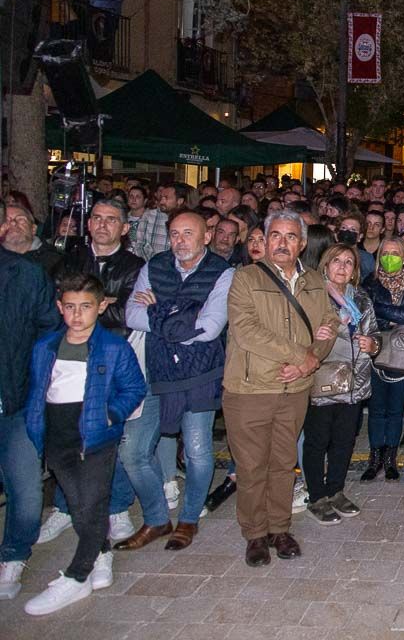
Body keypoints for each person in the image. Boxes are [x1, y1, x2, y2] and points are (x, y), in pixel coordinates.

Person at [22, 274, 145, 615]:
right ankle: (101, 553)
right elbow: (39, 390)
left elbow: (134, 388)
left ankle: (77, 575)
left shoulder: (113, 346)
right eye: (70, 307)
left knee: (92, 501)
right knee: (79, 505)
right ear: (60, 307)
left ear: (101, 307)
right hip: (57, 435)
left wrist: (111, 414)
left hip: (95, 436)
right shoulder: (45, 346)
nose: (77, 315)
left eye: (86, 307)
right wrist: (37, 427)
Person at [222, 210, 339, 567]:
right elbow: (246, 330)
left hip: (296, 388)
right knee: (252, 465)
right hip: (251, 388)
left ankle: (279, 528)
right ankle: (255, 534)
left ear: (302, 244)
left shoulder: (315, 282)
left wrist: (312, 360)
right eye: (276, 236)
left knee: (284, 463)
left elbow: (329, 323)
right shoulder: (245, 279)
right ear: (264, 240)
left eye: (291, 237)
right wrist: (300, 355)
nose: (282, 243)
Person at [122, 209, 232, 551]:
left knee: (198, 452)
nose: (179, 241)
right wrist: (181, 314)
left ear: (206, 237)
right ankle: (156, 519)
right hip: (155, 371)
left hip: (199, 374)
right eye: (174, 234)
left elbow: (209, 328)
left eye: (188, 233)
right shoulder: (154, 266)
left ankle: (188, 517)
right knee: (134, 451)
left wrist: (159, 308)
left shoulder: (223, 273)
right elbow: (132, 315)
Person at [0, 202, 61, 601]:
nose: (10, 225)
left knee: (25, 488)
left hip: (15, 396)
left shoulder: (27, 276)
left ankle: (14, 554)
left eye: (18, 218)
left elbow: (49, 330)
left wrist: (34, 380)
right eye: (5, 219)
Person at [302, 244, 380, 525]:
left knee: (344, 441)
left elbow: (374, 333)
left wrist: (372, 344)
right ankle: (316, 496)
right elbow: (297, 335)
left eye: (349, 262)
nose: (343, 267)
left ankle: (335, 490)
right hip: (322, 379)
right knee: (317, 441)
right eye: (337, 261)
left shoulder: (360, 297)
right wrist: (316, 333)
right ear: (325, 264)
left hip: (354, 381)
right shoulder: (313, 296)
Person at [361, 237, 404, 481]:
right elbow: (365, 315)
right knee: (377, 409)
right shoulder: (370, 282)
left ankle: (390, 458)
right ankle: (374, 457)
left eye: (395, 253)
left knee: (396, 410)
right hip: (375, 352)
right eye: (385, 253)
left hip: (401, 354)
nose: (390, 258)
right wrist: (389, 318)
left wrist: (378, 310)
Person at [60, 199, 144, 336]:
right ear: (89, 224)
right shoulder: (71, 260)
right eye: (97, 218)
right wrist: (106, 300)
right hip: (72, 338)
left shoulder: (135, 266)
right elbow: (56, 303)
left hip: (116, 342)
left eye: (111, 220)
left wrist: (77, 304)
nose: (102, 225)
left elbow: (125, 313)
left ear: (124, 229)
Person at [2, 204, 62, 275]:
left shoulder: (55, 262)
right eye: (6, 220)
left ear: (33, 229)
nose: (13, 223)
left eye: (21, 219)